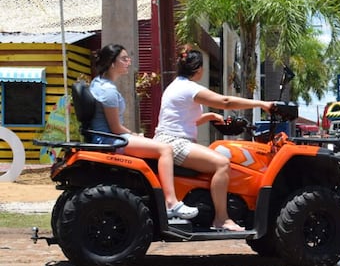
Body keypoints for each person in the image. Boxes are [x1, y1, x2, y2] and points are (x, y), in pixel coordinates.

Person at [153, 46, 275, 232]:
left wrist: (209, 117)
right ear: (200, 69)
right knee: (222, 164)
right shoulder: (189, 88)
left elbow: (182, 120)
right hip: (174, 142)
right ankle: (222, 219)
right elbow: (225, 102)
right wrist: (262, 104)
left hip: (169, 139)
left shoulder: (175, 86)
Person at [89, 44, 199, 220]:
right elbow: (116, 128)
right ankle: (171, 202)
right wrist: (134, 135)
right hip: (111, 140)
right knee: (165, 149)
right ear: (111, 63)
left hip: (108, 137)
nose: (128, 62)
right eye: (124, 59)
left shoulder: (98, 83)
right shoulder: (108, 91)